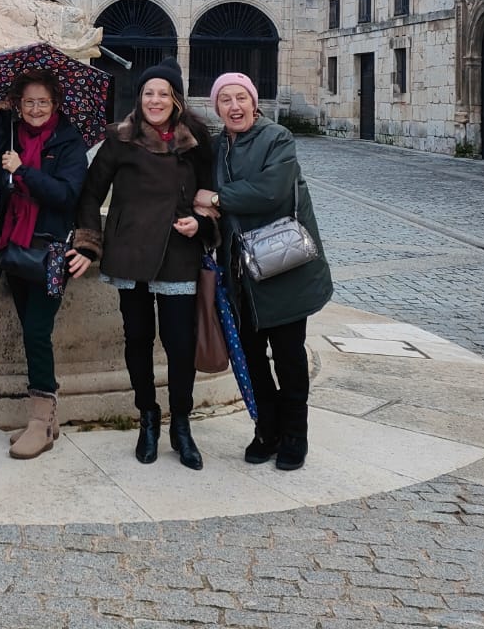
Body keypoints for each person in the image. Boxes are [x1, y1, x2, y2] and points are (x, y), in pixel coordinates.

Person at [72, 59, 216, 470]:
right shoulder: (118, 138)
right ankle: (147, 418)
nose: (155, 100)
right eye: (148, 93)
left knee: (180, 343)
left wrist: (202, 222)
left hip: (177, 250)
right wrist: (88, 243)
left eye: (163, 93)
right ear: (139, 97)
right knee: (137, 339)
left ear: (176, 98)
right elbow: (90, 194)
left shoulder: (197, 138)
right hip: (130, 251)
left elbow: (211, 192)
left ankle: (182, 424)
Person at [196, 73, 333, 472]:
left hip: (282, 267)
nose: (234, 107)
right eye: (225, 100)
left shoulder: (278, 139)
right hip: (239, 272)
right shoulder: (216, 145)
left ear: (254, 104)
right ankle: (266, 429)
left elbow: (271, 190)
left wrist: (218, 197)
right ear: (216, 107)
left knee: (289, 358)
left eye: (241, 98)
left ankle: (295, 435)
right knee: (253, 357)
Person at [0, 68, 89, 459]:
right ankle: (44, 420)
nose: (35, 109)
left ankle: (41, 419)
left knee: (36, 331)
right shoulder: (10, 136)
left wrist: (24, 171)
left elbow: (66, 195)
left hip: (51, 253)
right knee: (30, 330)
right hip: (14, 249)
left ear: (55, 104)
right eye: (28, 102)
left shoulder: (69, 143)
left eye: (43, 102)